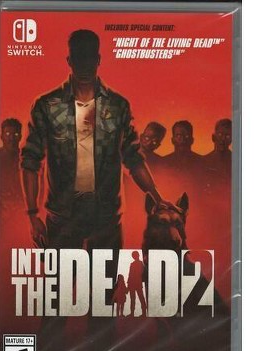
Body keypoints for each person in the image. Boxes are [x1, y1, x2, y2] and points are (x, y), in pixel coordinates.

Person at [21, 29, 171, 250]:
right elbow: (30, 162)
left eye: (89, 58)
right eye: (78, 58)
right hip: (63, 216)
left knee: (107, 274)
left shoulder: (118, 106)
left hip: (106, 217)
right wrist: (32, 216)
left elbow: (132, 158)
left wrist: (157, 197)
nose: (84, 65)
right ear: (69, 60)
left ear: (98, 59)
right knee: (60, 274)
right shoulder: (47, 105)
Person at [0, 118, 23, 209]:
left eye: (15, 134)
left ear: (20, 137)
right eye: (7, 134)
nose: (11, 138)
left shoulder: (26, 158)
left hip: (20, 207)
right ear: (1, 136)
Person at [127, 251, 147, 317]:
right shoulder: (138, 264)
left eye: (134, 255)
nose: (134, 257)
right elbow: (130, 274)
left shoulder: (139, 264)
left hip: (136, 283)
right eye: (133, 255)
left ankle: (142, 313)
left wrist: (128, 284)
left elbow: (131, 274)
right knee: (137, 298)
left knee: (139, 298)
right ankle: (134, 313)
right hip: (135, 283)